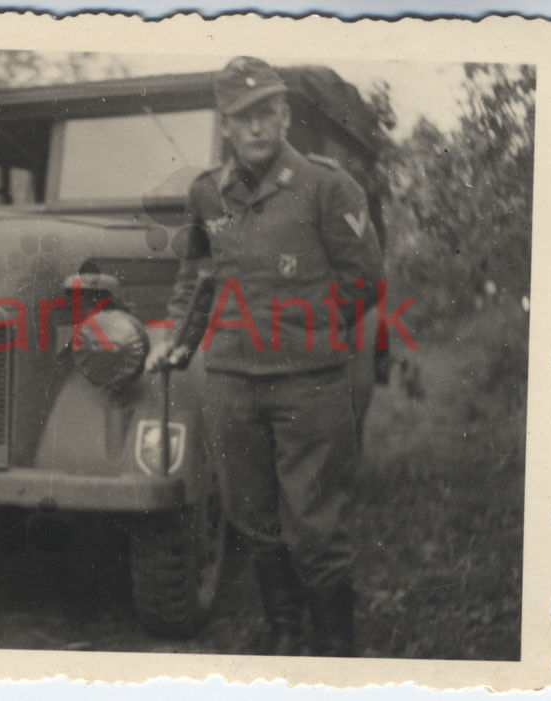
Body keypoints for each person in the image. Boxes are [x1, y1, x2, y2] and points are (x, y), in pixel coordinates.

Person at [146, 56, 383, 656]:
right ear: (225, 125)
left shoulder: (327, 186)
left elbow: (363, 280)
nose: (256, 127)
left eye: (267, 112)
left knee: (316, 523)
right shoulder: (206, 194)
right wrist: (180, 338)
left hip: (308, 384)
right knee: (252, 515)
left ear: (284, 116)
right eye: (242, 117)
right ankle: (284, 626)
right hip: (230, 381)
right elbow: (197, 272)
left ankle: (334, 646)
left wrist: (307, 334)